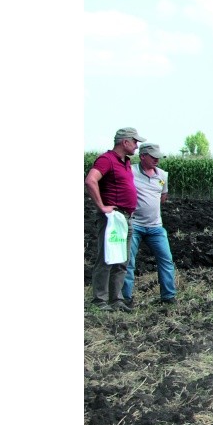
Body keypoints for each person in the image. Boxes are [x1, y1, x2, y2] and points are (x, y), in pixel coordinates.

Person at [85, 127, 144, 312]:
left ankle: (116, 299)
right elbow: (90, 180)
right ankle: (100, 301)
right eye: (135, 141)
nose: (136, 146)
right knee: (106, 258)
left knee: (121, 259)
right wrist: (102, 207)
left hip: (126, 218)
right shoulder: (106, 160)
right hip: (113, 218)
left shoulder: (125, 162)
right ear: (124, 142)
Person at [123, 143, 177, 305]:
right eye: (153, 157)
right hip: (134, 224)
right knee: (128, 262)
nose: (156, 160)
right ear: (142, 156)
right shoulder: (130, 172)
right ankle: (125, 298)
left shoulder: (162, 175)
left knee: (166, 260)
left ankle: (168, 296)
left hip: (155, 226)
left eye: (158, 157)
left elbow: (163, 195)